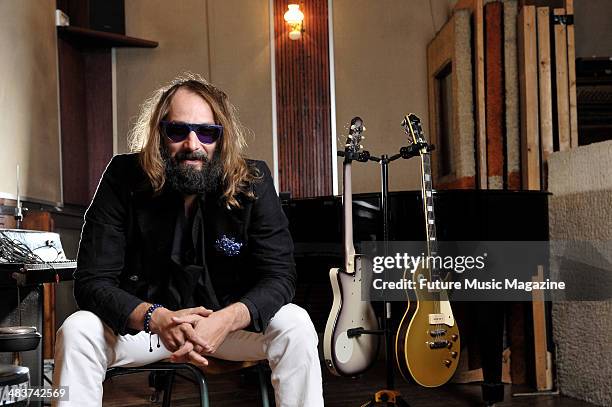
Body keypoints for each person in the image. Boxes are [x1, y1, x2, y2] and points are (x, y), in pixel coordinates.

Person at [52, 73, 323, 406]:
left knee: (295, 323)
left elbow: (281, 277)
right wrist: (155, 317)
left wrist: (226, 320)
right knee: (77, 330)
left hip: (225, 328)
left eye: (206, 132)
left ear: (221, 139)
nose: (193, 145)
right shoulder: (122, 177)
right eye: (178, 131)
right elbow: (92, 282)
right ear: (160, 133)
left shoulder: (254, 181)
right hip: (147, 328)